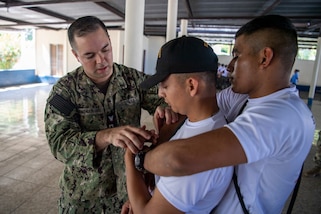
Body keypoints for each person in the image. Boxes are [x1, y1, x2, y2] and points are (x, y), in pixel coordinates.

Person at [141, 15, 315, 214]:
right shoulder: (243, 97)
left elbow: (177, 159)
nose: (230, 65)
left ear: (264, 58)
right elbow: (194, 107)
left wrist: (140, 158)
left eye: (237, 55)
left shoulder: (282, 117)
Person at [44, 16, 165, 213]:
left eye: (105, 49)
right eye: (90, 55)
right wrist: (106, 136)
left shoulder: (133, 80)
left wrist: (163, 114)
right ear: (76, 55)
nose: (101, 61)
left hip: (127, 195)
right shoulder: (65, 92)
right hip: (83, 199)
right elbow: (60, 145)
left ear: (110, 41)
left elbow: (167, 99)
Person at [124, 36, 233, 214]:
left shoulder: (201, 154)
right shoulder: (194, 121)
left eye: (165, 86)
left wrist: (130, 158)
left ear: (191, 85)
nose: (160, 93)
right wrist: (163, 133)